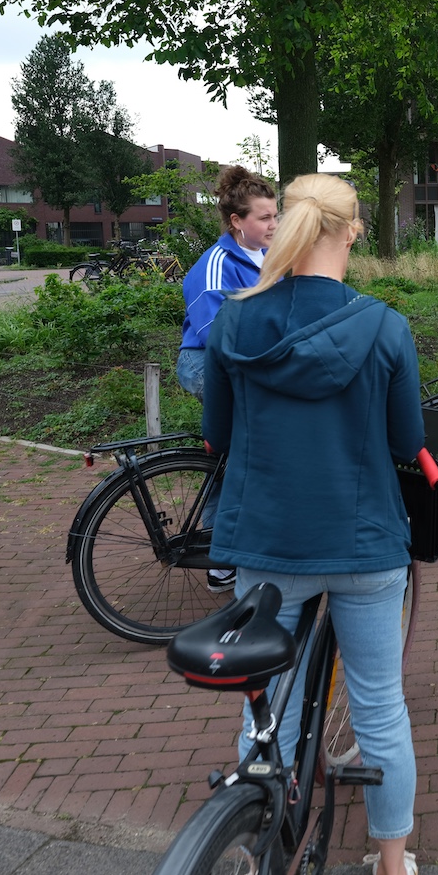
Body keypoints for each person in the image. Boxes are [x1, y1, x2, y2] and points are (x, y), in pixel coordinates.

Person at [201, 173, 424, 875]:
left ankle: (255, 842)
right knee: (380, 704)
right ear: (352, 230)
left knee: (267, 702)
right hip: (362, 544)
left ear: (288, 224)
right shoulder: (384, 325)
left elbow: (217, 436)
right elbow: (406, 439)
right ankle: (392, 869)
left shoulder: (234, 320)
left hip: (267, 544)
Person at [176, 166, 277, 593]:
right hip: (207, 362)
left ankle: (224, 548)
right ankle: (225, 562)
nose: (274, 225)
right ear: (237, 221)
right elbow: (216, 335)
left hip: (242, 361)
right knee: (252, 451)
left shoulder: (269, 258)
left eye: (276, 216)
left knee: (233, 455)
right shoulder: (217, 264)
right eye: (264, 218)